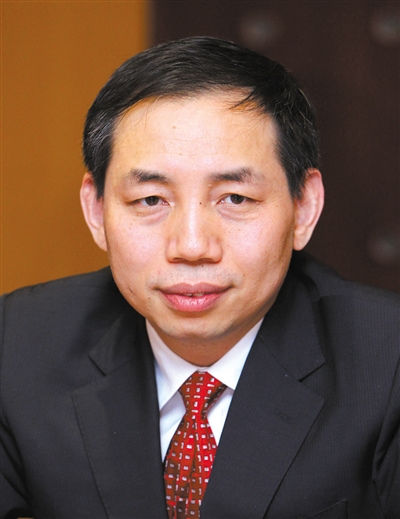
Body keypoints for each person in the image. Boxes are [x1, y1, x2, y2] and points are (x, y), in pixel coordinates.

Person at [0, 36, 399, 519]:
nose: (191, 246)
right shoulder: (16, 346)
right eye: (150, 200)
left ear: (303, 207)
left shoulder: (387, 363)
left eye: (235, 199)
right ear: (97, 210)